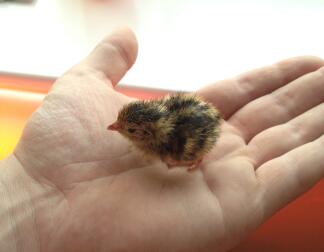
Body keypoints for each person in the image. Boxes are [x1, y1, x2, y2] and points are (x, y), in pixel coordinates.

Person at [0, 28, 323, 252]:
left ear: (147, 134)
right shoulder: (159, 122)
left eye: (127, 129)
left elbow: (188, 140)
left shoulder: (168, 142)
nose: (114, 127)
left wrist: (188, 160)